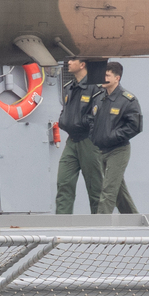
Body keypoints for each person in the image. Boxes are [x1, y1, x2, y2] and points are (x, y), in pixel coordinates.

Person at [83, 61, 145, 214]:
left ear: (117, 78)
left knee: (108, 189)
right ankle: (132, 219)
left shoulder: (127, 100)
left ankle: (101, 224)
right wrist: (94, 136)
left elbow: (135, 126)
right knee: (118, 192)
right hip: (102, 150)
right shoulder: (99, 98)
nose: (103, 78)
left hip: (118, 150)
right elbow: (91, 119)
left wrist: (112, 136)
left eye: (107, 75)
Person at [52, 59, 94, 214]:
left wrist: (82, 123)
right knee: (64, 183)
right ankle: (62, 224)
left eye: (73, 60)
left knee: (95, 187)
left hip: (89, 141)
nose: (68, 62)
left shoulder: (95, 88)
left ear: (82, 65)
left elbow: (99, 114)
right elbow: (66, 109)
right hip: (71, 141)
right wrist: (64, 120)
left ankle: (100, 225)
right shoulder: (69, 87)